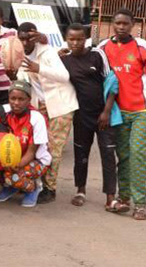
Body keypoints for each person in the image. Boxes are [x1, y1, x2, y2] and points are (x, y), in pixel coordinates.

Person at [97, 9, 146, 220]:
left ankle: (140, 204)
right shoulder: (102, 47)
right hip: (118, 112)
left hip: (143, 110)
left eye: (125, 24)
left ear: (132, 25)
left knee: (137, 154)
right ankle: (124, 198)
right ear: (112, 24)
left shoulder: (141, 46)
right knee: (124, 155)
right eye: (117, 23)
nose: (121, 27)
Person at [16, 22, 77, 204]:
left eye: (29, 38)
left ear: (36, 36)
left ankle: (50, 189)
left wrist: (39, 68)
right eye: (22, 38)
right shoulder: (18, 53)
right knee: (37, 146)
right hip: (40, 106)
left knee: (53, 148)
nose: (25, 42)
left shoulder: (47, 51)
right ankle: (33, 184)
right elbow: (23, 79)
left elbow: (64, 76)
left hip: (60, 105)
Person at [59, 23, 118, 211]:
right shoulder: (64, 60)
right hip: (81, 116)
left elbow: (112, 82)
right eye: (71, 39)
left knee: (108, 154)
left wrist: (106, 112)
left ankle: (110, 197)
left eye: (79, 39)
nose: (75, 43)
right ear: (66, 39)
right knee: (81, 154)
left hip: (103, 116)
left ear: (86, 39)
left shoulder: (97, 55)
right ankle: (80, 190)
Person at [0, 81, 52, 208]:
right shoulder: (3, 110)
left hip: (36, 160)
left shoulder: (36, 118)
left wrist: (16, 165)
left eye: (21, 99)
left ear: (29, 100)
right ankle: (12, 187)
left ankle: (33, 188)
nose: (16, 103)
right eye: (13, 98)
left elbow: (31, 152)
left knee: (12, 176)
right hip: (13, 156)